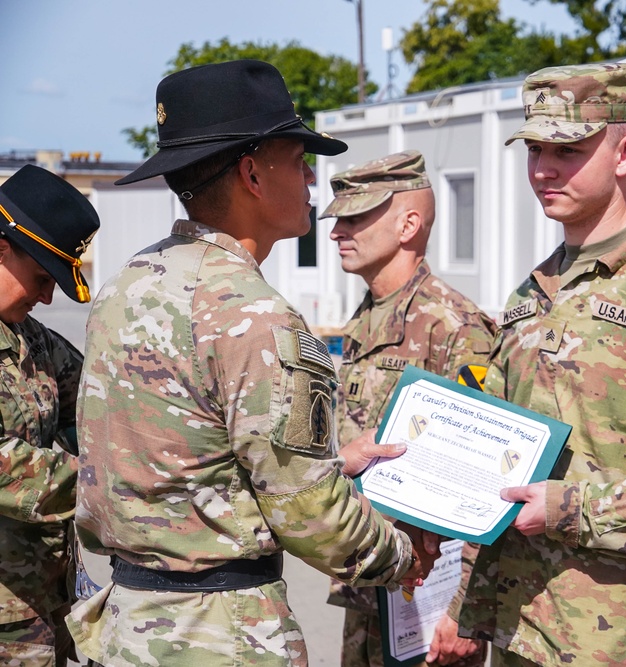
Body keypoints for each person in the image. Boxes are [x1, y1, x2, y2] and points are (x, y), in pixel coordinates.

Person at [66, 60, 432, 667]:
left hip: (130, 624)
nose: (313, 177)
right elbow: (309, 512)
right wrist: (400, 557)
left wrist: (335, 458)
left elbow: (185, 452)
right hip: (221, 633)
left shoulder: (126, 284)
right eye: (298, 160)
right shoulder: (255, 315)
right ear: (252, 173)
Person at [458, 63, 626, 666]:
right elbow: (492, 443)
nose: (544, 169)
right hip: (521, 626)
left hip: (622, 638)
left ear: (625, 153)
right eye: (536, 149)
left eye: (568, 149)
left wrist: (571, 507)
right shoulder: (530, 293)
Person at [322, 149, 495, 667]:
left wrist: (466, 607)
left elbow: (486, 478)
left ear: (408, 224)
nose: (336, 232)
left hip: (431, 607)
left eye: (355, 218)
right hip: (374, 589)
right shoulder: (366, 319)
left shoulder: (455, 326)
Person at [0, 164, 100, 667]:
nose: (47, 296)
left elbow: (99, 411)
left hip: (45, 609)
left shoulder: (32, 340)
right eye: (42, 276)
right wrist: (109, 480)